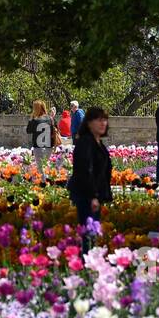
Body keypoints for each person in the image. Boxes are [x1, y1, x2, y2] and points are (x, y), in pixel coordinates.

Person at [67, 106, 111, 253]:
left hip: (96, 194)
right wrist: (92, 196)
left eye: (105, 120)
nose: (103, 123)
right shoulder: (85, 142)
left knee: (92, 233)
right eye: (99, 120)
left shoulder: (97, 142)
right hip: (86, 195)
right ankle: (86, 265)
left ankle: (89, 262)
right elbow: (85, 170)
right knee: (88, 233)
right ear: (89, 123)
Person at [26, 100, 56, 165]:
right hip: (49, 146)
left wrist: (31, 118)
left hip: (38, 147)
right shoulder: (50, 119)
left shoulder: (34, 120)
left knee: (40, 168)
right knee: (46, 166)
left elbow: (28, 131)